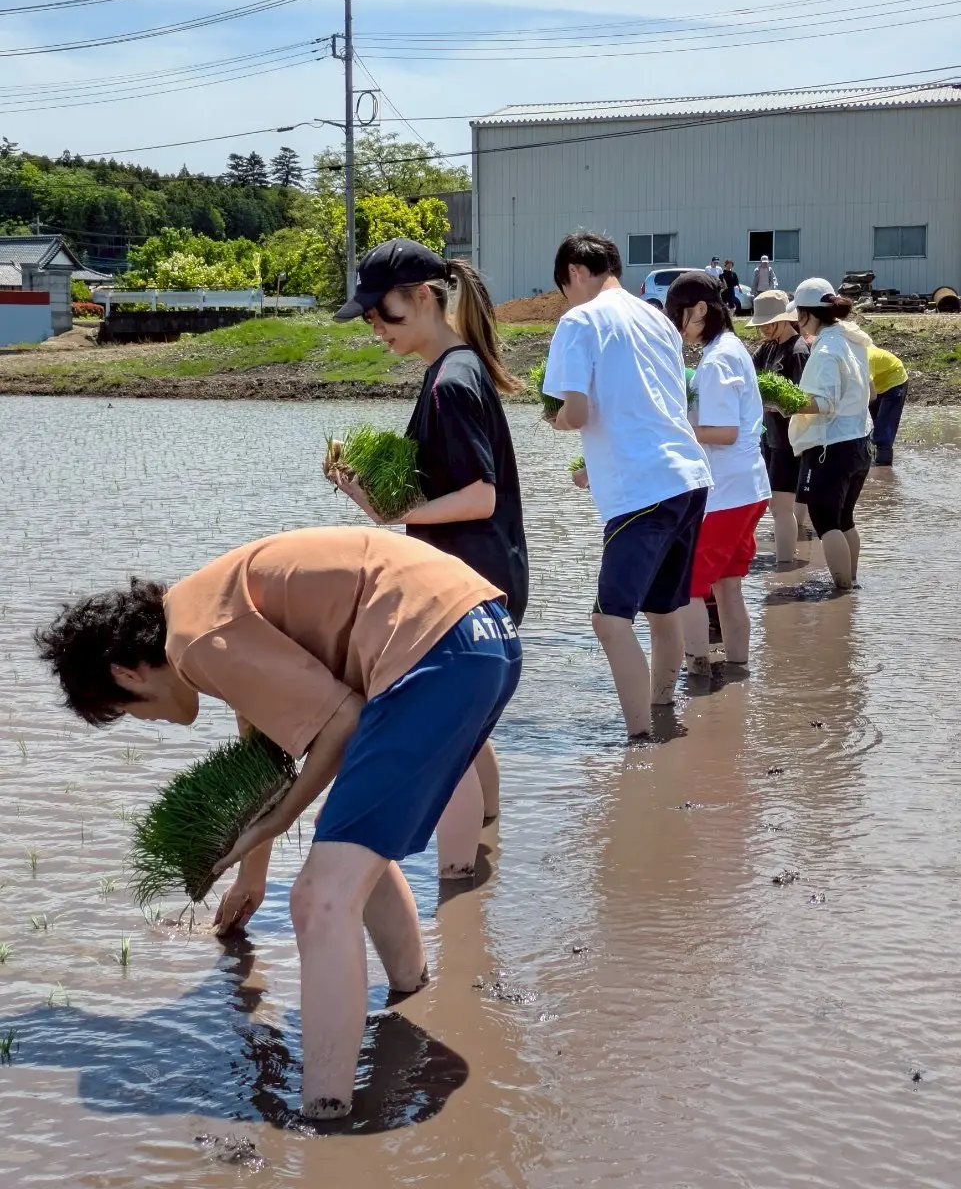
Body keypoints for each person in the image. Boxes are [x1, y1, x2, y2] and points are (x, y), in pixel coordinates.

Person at [34, 527, 523, 1120]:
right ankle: (410, 987)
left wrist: (275, 822)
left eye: (128, 713)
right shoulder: (201, 607)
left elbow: (340, 725)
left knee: (319, 898)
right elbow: (268, 750)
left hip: (434, 652)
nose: (153, 723)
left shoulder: (196, 640)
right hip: (483, 634)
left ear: (127, 674)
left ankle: (324, 1110)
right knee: (347, 840)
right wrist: (250, 876)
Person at [328, 238, 528, 860]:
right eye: (366, 318)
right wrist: (375, 498)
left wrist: (394, 514)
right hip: (485, 582)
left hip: (466, 589)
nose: (375, 329)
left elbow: (479, 496)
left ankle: (457, 886)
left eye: (382, 313)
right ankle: (486, 843)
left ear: (422, 298)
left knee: (443, 743)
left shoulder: (450, 383)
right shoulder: (454, 369)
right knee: (466, 730)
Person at [542, 231, 712, 739]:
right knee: (664, 610)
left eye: (563, 287)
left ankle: (640, 739)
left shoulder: (579, 319)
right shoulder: (657, 317)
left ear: (575, 272)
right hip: (688, 478)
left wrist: (556, 421)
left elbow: (574, 411)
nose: (565, 299)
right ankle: (662, 710)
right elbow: (658, 402)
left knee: (610, 621)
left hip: (641, 490)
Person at [665, 273, 770, 675]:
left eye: (680, 315)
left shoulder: (717, 359)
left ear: (701, 311)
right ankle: (738, 669)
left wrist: (675, 429)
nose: (678, 326)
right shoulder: (732, 348)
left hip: (726, 492)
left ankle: (697, 673)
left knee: (688, 588)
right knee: (727, 585)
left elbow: (724, 433)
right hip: (749, 487)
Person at [786, 278, 872, 590]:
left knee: (825, 521)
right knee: (845, 518)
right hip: (859, 441)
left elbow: (823, 402)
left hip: (831, 447)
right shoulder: (851, 339)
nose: (797, 322)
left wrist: (785, 403)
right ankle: (851, 584)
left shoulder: (825, 350)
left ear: (807, 315)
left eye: (797, 316)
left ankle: (842, 590)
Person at [748, 290, 810, 562]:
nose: (762, 329)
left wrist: (777, 404)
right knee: (778, 504)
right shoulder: (767, 348)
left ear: (784, 320)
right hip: (770, 437)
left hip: (789, 441)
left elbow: (804, 400)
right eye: (760, 324)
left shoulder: (798, 351)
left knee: (780, 506)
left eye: (767, 323)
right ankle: (792, 556)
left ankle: (785, 566)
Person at [866, 342, 908, 465]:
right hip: (878, 380)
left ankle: (883, 465)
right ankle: (873, 460)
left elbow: (871, 395)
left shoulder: (863, 362)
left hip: (895, 381)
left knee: (884, 428)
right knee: (872, 424)